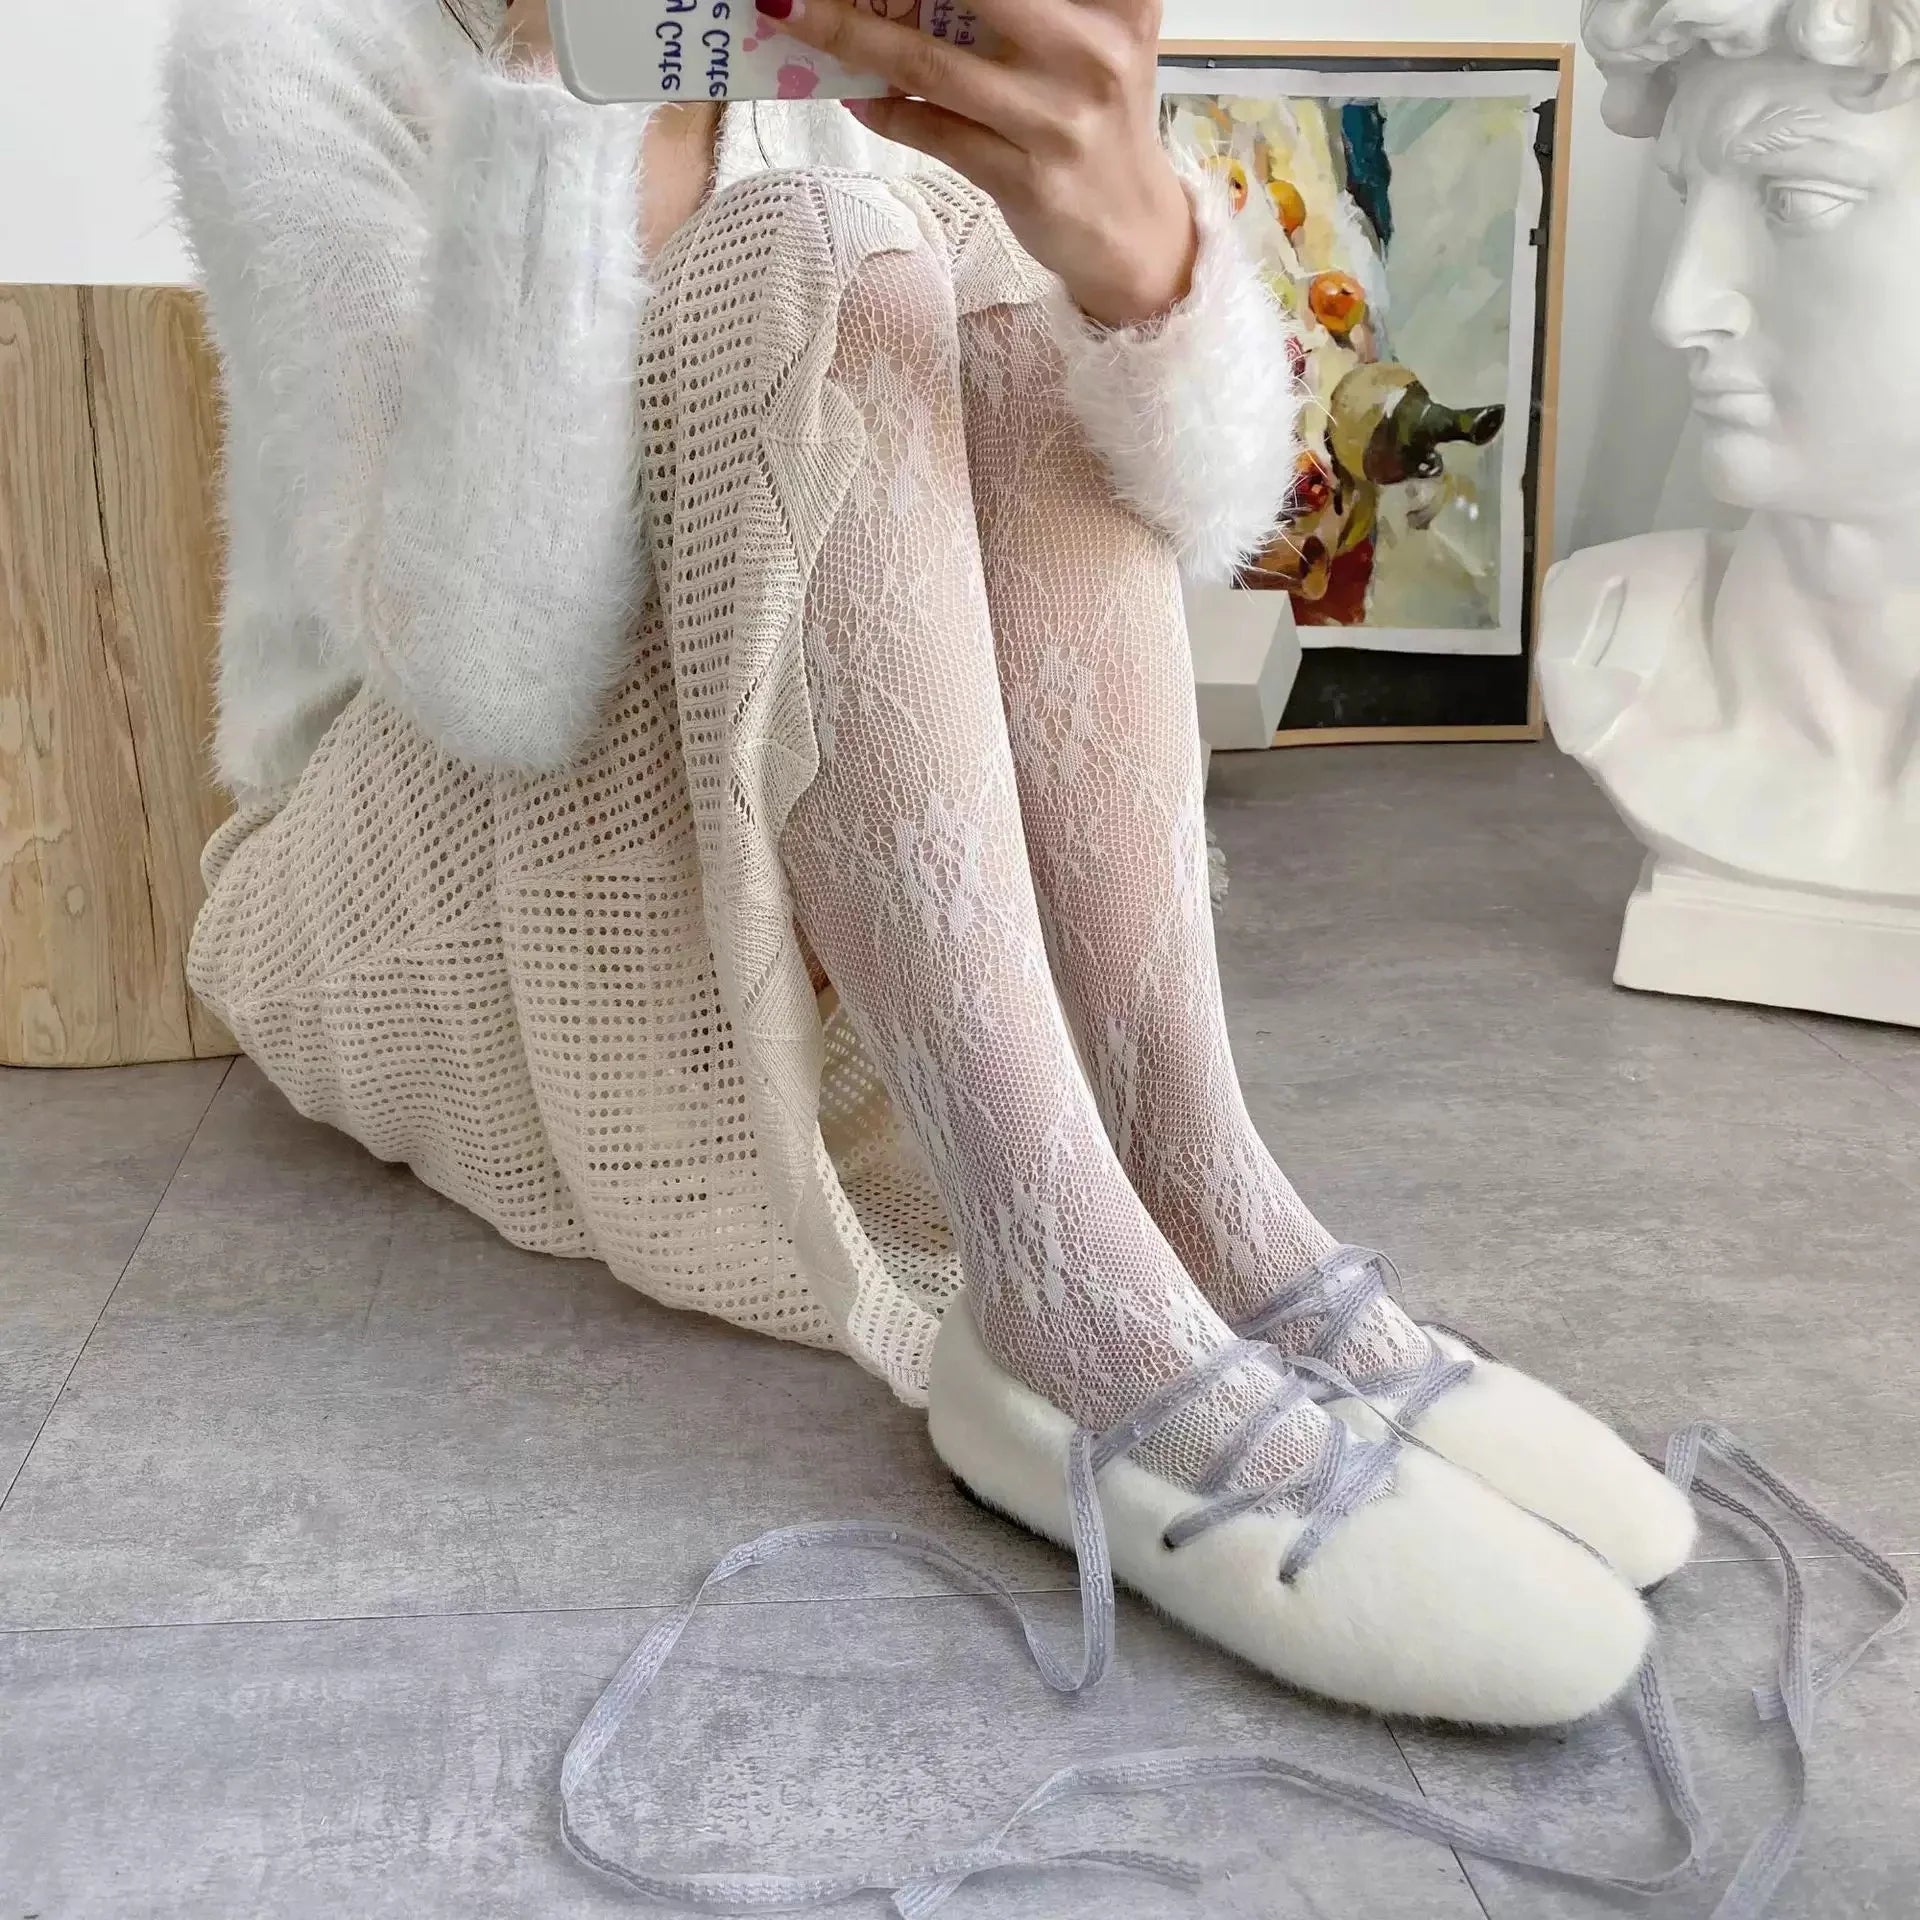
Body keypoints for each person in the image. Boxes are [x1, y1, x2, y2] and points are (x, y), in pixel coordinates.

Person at [166, 0, 1691, 1726]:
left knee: (1006, 289)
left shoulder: (828, 45)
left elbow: (1208, 527)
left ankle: (1215, 1213)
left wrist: (1137, 252)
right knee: (818, 255)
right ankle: (1069, 1322)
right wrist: (576, 92)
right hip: (398, 910)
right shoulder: (288, 46)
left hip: (795, 881)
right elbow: (490, 683)